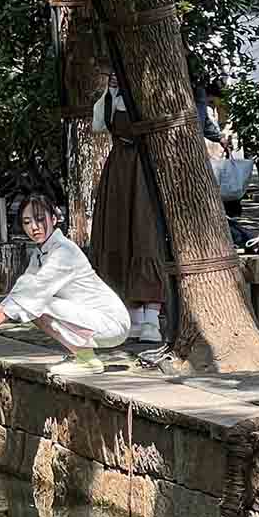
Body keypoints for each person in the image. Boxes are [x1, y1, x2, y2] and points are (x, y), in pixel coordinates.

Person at [0, 195, 131, 376]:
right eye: (27, 222)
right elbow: (21, 289)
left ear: (54, 219)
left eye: (40, 219)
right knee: (33, 304)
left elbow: (32, 294)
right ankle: (85, 358)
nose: (34, 227)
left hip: (112, 323)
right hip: (93, 319)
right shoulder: (42, 251)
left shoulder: (64, 251)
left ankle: (86, 360)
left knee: (38, 303)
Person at [88, 72, 168, 343]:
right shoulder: (108, 100)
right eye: (111, 73)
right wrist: (110, 94)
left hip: (146, 172)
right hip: (120, 173)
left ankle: (152, 319)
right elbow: (99, 125)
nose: (114, 77)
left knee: (147, 239)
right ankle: (134, 319)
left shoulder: (150, 95)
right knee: (120, 236)